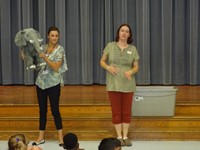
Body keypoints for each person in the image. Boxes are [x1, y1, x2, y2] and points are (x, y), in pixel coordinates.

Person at [100, 23, 139, 147]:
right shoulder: (110, 46)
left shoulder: (133, 49)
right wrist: (107, 67)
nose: (124, 33)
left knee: (126, 111)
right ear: (118, 33)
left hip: (128, 84)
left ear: (129, 34)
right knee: (116, 111)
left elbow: (136, 66)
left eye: (127, 31)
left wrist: (131, 71)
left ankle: (126, 136)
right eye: (122, 30)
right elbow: (102, 61)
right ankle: (119, 137)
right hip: (113, 84)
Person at [32, 26, 68, 147]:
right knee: (42, 110)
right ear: (48, 36)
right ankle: (41, 137)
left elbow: (56, 67)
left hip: (53, 83)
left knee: (55, 110)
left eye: (56, 35)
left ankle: (60, 138)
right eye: (52, 35)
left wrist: (45, 57)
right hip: (40, 84)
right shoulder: (41, 48)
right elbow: (36, 64)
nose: (54, 38)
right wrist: (25, 53)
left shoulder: (60, 50)